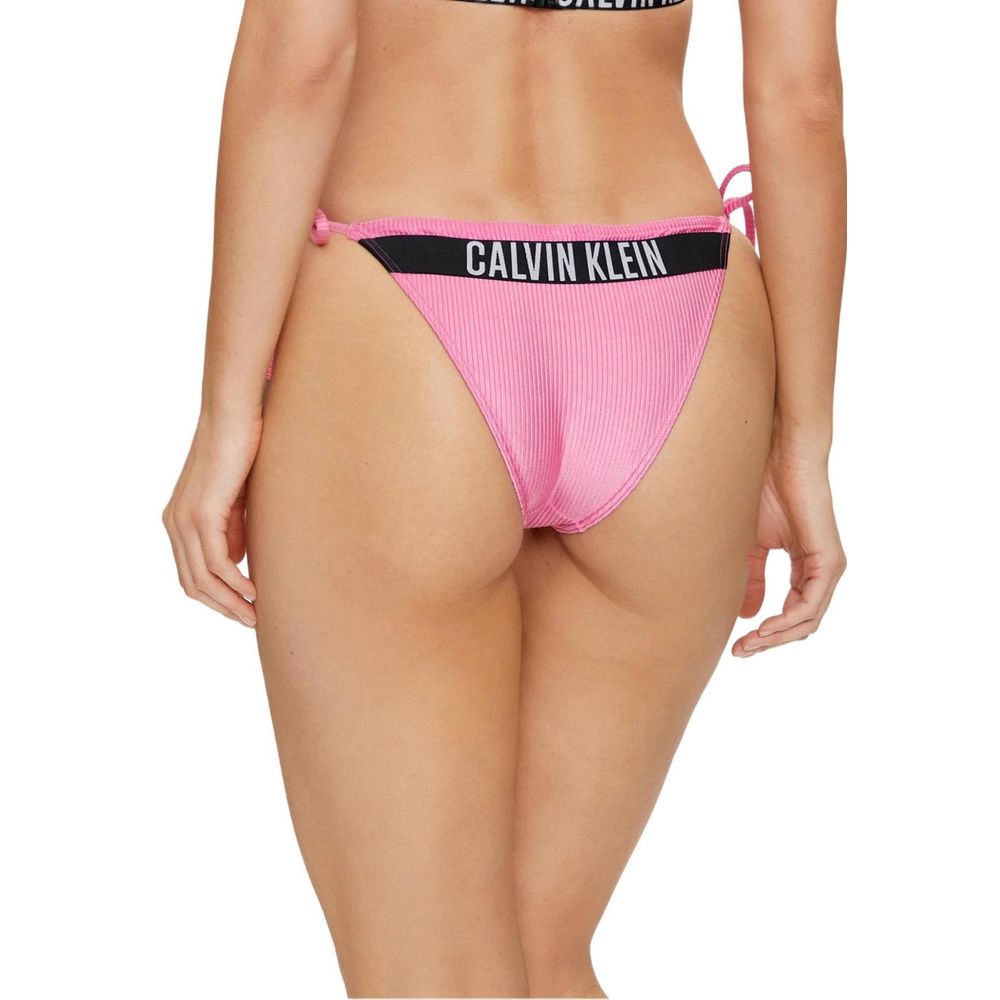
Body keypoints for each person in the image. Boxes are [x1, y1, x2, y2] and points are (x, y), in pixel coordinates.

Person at [161, 0, 847, 995]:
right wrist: (801, 445)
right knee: (540, 953)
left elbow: (298, 56)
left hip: (409, 305)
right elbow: (800, 97)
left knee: (429, 971)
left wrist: (228, 412)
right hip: (677, 305)